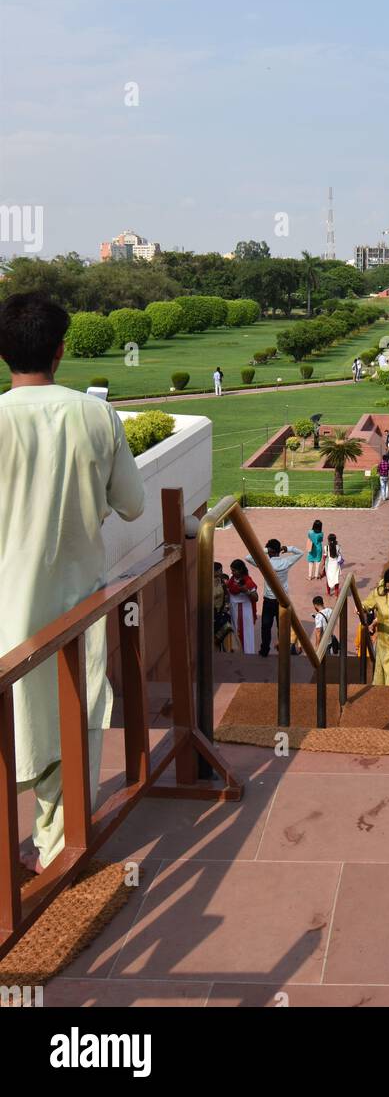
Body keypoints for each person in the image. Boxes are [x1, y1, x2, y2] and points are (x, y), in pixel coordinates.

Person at [0, 293, 147, 874]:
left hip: (6, 606)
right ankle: (58, 848)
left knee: (18, 726)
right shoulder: (95, 415)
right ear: (61, 350)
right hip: (75, 605)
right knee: (69, 720)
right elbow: (133, 506)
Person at [246, 537, 304, 656]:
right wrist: (287, 548)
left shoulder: (265, 563)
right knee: (282, 626)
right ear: (279, 550)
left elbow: (248, 557)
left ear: (270, 551)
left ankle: (264, 650)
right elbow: (300, 552)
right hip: (282, 600)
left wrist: (265, 550)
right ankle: (282, 649)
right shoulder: (286, 562)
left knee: (266, 627)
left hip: (268, 601)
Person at [228, 559, 259, 654]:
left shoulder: (248, 581)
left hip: (245, 611)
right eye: (231, 570)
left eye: (234, 570)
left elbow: (256, 597)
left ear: (240, 570)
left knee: (246, 633)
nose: (232, 572)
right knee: (234, 631)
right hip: (234, 610)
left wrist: (246, 591)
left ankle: (248, 653)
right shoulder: (232, 579)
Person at [213, 562, 234, 650]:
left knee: (225, 629)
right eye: (220, 570)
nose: (221, 572)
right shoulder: (206, 582)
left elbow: (226, 595)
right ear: (214, 571)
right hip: (211, 613)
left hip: (220, 612)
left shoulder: (222, 582)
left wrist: (226, 607)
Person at [323, 532, 344, 597]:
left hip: (328, 565)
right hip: (336, 565)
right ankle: (336, 593)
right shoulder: (338, 547)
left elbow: (324, 556)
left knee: (328, 579)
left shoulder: (326, 547)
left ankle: (328, 593)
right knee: (336, 579)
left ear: (328, 540)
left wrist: (323, 564)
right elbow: (340, 554)